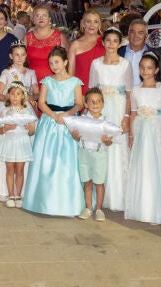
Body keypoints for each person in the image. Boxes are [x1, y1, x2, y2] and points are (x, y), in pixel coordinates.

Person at [21, 46, 84, 217]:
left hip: (68, 122)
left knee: (67, 161)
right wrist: (54, 116)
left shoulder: (75, 82)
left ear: (65, 62)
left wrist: (66, 115)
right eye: (51, 63)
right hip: (49, 123)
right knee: (46, 160)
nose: (54, 66)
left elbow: (79, 104)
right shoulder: (47, 81)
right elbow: (41, 103)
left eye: (57, 62)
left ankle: (68, 202)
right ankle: (42, 200)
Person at [87, 27, 133, 212]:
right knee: (99, 148)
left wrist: (127, 116)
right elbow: (91, 90)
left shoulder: (125, 64)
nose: (111, 44)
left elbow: (129, 93)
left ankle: (117, 196)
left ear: (120, 43)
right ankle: (97, 196)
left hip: (118, 108)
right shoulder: (96, 64)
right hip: (101, 108)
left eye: (115, 41)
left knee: (116, 149)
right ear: (103, 43)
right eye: (108, 41)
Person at [125, 53, 161, 225]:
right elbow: (133, 113)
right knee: (142, 165)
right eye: (142, 67)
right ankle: (142, 207)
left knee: (158, 165)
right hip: (141, 131)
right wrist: (131, 135)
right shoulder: (135, 90)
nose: (145, 71)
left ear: (156, 70)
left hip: (157, 130)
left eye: (149, 68)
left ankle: (160, 208)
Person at [70, 88, 116, 222]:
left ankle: (99, 209)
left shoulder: (106, 122)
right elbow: (77, 138)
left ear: (103, 104)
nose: (95, 104)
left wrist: (107, 141)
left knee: (99, 182)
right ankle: (88, 207)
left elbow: (109, 142)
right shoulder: (81, 120)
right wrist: (75, 136)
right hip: (84, 153)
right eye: (91, 101)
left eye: (98, 101)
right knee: (87, 181)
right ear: (86, 104)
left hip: (99, 155)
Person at [0, 81, 36, 208]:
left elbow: (32, 132)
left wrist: (30, 129)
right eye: (12, 94)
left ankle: (18, 196)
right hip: (9, 143)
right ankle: (11, 195)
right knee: (10, 169)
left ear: (23, 96)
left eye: (18, 94)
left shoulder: (27, 112)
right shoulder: (5, 111)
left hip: (22, 143)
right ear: (8, 95)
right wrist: (6, 128)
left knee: (20, 170)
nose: (15, 97)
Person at [25, 4, 64, 85]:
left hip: (55, 84)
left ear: (49, 19)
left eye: (44, 15)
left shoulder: (59, 36)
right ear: (33, 19)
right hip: (32, 83)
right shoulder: (27, 37)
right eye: (37, 15)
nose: (41, 18)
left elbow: (68, 62)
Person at [68, 9, 106, 88]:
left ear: (99, 25)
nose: (92, 25)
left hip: (102, 89)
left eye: (95, 22)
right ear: (82, 23)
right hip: (81, 90)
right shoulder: (75, 45)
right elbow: (70, 74)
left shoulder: (105, 42)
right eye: (88, 21)